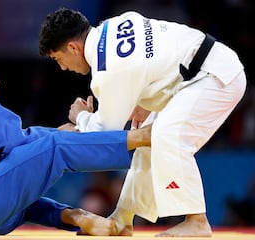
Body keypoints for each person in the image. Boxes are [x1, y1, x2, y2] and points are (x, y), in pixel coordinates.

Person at [38, 8, 247, 237]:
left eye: (59, 59)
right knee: (147, 140)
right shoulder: (112, 26)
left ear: (72, 47)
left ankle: (197, 220)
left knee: (167, 135)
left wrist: (80, 116)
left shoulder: (108, 69)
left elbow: (105, 132)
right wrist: (146, 98)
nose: (63, 68)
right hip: (195, 71)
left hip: (214, 76)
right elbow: (153, 55)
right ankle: (121, 220)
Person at [0, 48, 151, 235]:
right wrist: (66, 134)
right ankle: (139, 137)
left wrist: (60, 132)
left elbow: (9, 154)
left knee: (28, 203)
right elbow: (13, 142)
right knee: (55, 148)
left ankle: (79, 218)